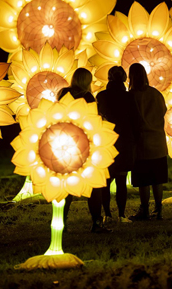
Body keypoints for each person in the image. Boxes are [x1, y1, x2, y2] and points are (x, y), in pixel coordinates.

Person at [57, 67, 111, 233]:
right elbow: (93, 119)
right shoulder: (87, 97)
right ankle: (96, 222)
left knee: (67, 186)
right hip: (84, 145)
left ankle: (61, 222)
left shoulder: (62, 94)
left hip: (65, 144)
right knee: (94, 185)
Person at [128, 63, 168, 220]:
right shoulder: (156, 93)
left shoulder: (132, 95)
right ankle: (158, 209)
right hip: (158, 142)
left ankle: (144, 210)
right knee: (157, 179)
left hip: (142, 144)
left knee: (143, 180)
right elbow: (163, 112)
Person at [96, 66, 136, 224]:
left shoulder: (102, 96)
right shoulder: (129, 97)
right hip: (125, 141)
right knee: (121, 180)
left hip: (106, 141)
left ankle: (107, 214)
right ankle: (121, 214)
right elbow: (134, 119)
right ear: (124, 78)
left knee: (105, 181)